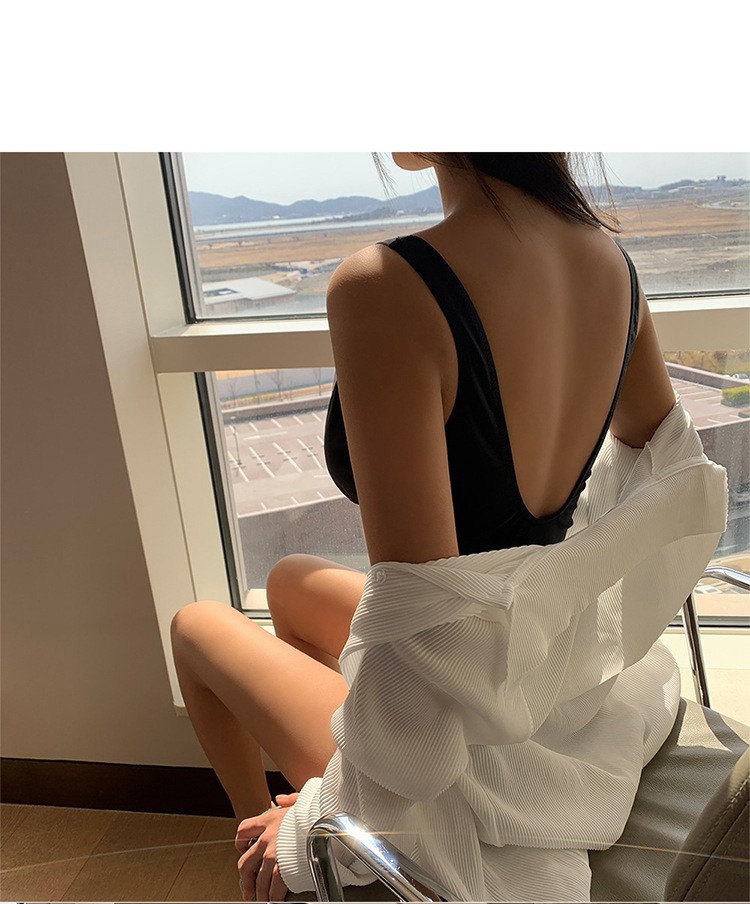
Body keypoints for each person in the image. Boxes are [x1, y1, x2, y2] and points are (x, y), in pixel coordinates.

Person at [170, 152, 678, 902]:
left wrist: (317, 817)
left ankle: (268, 851)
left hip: (463, 740)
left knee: (194, 625)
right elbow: (667, 474)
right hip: (538, 662)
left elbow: (419, 636)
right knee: (289, 582)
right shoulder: (611, 264)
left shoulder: (386, 285)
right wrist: (557, 578)